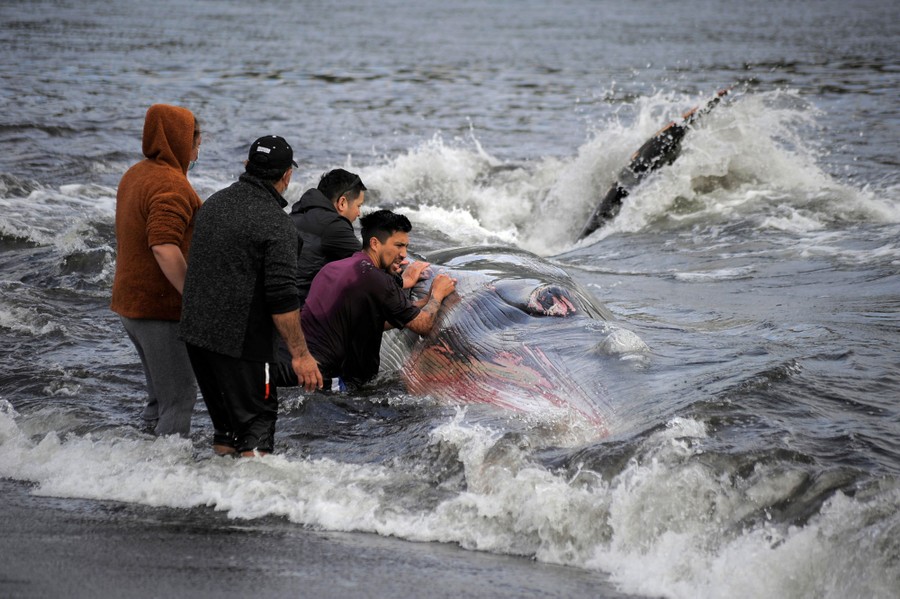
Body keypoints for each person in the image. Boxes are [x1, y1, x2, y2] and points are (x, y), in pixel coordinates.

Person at [179, 135, 323, 457]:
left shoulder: (213, 204)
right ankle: (252, 504)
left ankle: (213, 502)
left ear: (247, 166)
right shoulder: (278, 226)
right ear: (287, 176)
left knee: (228, 428)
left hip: (197, 336)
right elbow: (283, 299)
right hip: (243, 346)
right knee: (257, 426)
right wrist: (300, 356)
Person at [110, 104, 202, 437]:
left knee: (158, 400)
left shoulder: (135, 173)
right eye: (196, 139)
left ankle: (145, 467)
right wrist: (195, 295)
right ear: (180, 141)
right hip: (158, 309)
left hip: (129, 305)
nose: (198, 148)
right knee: (179, 401)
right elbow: (164, 246)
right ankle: (170, 477)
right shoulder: (171, 185)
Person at [300, 209, 457, 388]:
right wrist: (437, 294)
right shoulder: (376, 278)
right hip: (334, 382)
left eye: (406, 246)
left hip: (304, 372)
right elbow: (424, 326)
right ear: (375, 243)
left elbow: (363, 322)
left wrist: (423, 303)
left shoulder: (333, 268)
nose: (404, 254)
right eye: (398, 245)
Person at [291, 168, 367, 307]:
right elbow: (369, 263)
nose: (359, 213)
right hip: (302, 310)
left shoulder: (298, 211)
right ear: (342, 203)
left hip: (280, 303)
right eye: (358, 205)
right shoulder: (334, 225)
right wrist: (401, 280)